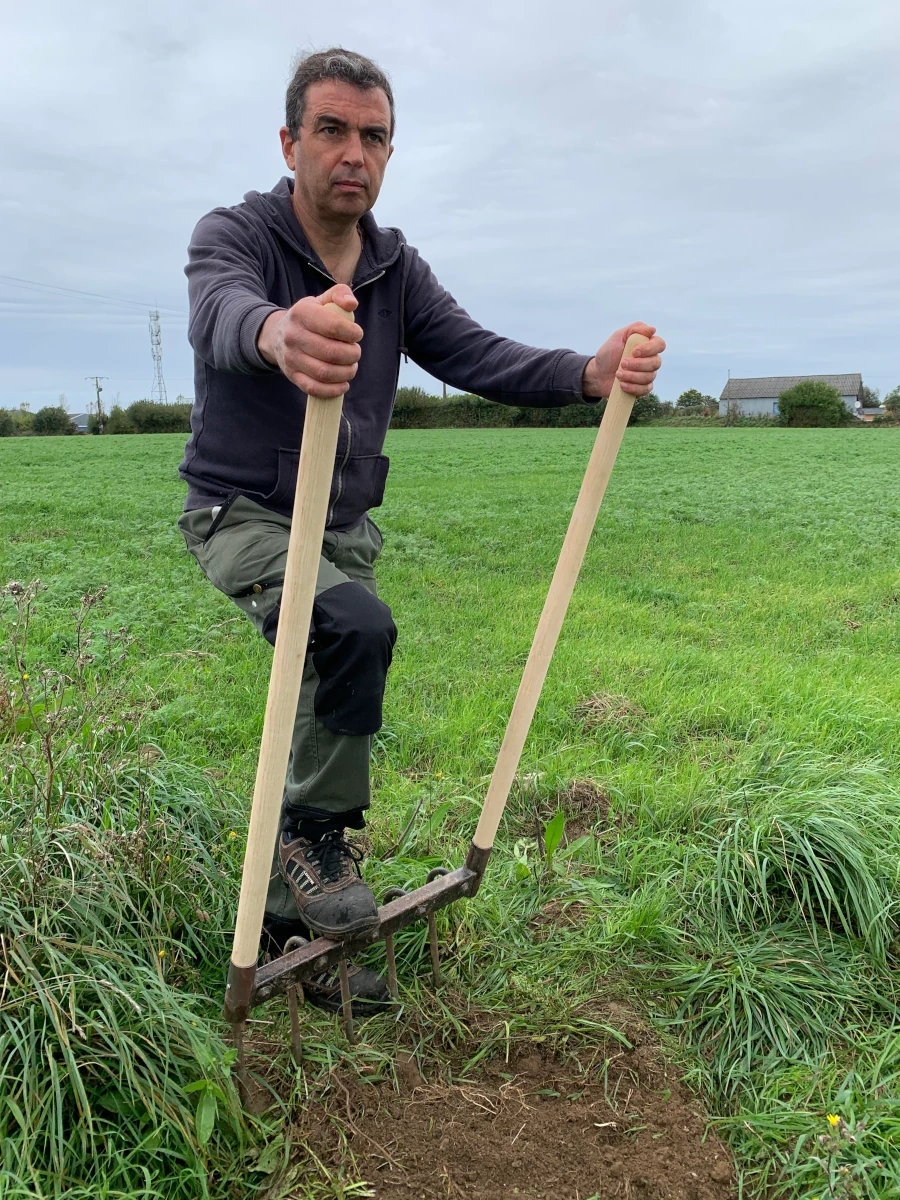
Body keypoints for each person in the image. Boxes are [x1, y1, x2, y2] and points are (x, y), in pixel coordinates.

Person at [177, 48, 665, 1014]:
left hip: (344, 521)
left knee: (327, 676)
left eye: (373, 135)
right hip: (244, 511)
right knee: (350, 629)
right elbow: (220, 310)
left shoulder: (398, 267)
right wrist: (283, 333)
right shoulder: (236, 234)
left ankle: (290, 935)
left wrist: (586, 374)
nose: (353, 152)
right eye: (331, 130)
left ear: (390, 151)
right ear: (290, 141)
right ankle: (317, 842)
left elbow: (475, 351)